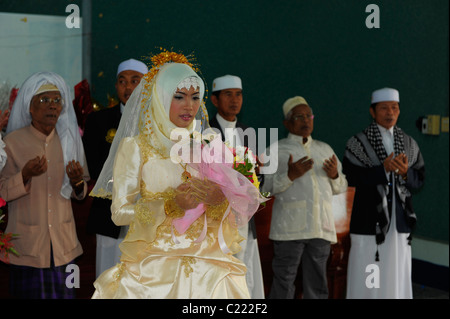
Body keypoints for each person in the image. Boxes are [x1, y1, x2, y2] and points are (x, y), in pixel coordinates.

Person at [90, 50, 264, 298]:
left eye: (195, 98)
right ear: (160, 97)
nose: (189, 106)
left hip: (209, 270)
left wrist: (219, 200)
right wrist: (169, 205)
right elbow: (119, 213)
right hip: (153, 272)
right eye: (179, 96)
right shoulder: (136, 147)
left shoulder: (208, 144)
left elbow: (227, 212)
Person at [0, 71, 89, 298]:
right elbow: (2, 192)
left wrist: (78, 182)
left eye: (57, 101)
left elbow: (81, 192)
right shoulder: (11, 142)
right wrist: (25, 175)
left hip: (65, 246)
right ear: (30, 107)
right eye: (45, 100)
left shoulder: (69, 141)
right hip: (26, 247)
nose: (52, 106)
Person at [262, 96, 348, 299]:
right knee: (284, 280)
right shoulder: (275, 150)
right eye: (299, 116)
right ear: (287, 123)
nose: (306, 120)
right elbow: (263, 188)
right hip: (289, 230)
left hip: (321, 227)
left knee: (318, 283)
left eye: (308, 115)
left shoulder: (325, 149)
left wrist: (335, 175)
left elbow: (341, 186)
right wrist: (290, 175)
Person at [344, 88, 425, 299]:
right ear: (372, 112)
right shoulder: (357, 143)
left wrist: (406, 173)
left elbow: (419, 180)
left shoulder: (409, 144)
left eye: (394, 108)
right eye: (384, 108)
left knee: (395, 274)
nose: (390, 112)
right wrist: (383, 170)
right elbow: (351, 179)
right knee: (370, 274)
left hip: (399, 224)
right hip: (369, 223)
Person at [84, 58, 148, 278]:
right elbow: (93, 167)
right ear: (116, 86)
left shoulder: (157, 122)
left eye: (135, 81)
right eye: (122, 81)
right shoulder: (98, 121)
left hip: (147, 215)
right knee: (109, 276)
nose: (128, 87)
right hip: (109, 214)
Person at [209, 74, 264, 298]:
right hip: (216, 219)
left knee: (245, 273)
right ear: (214, 100)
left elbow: (258, 182)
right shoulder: (205, 131)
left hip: (245, 219)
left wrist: (258, 173)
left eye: (238, 94)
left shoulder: (248, 132)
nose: (234, 100)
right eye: (228, 94)